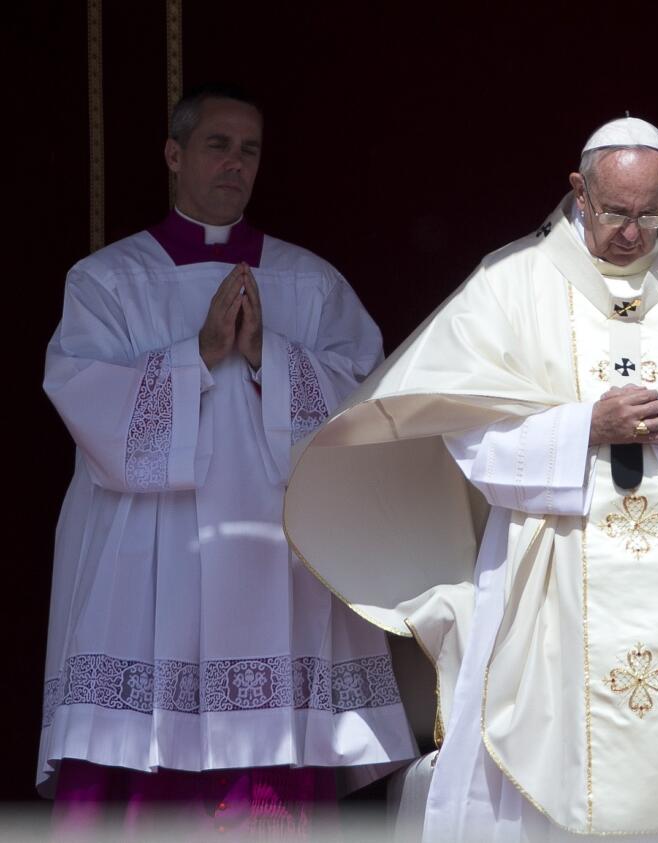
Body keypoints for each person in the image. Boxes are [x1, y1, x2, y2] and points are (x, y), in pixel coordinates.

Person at [282, 117, 658, 840]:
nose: (634, 233)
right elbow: (467, 433)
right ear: (578, 190)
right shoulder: (511, 285)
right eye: (615, 212)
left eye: (650, 212)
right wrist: (583, 428)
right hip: (550, 579)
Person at [40, 83, 415, 833]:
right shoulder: (108, 282)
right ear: (175, 155)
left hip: (274, 553)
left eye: (249, 150)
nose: (235, 164)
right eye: (217, 145)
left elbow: (369, 400)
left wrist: (269, 358)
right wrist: (199, 354)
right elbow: (83, 395)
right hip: (149, 559)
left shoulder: (309, 282)